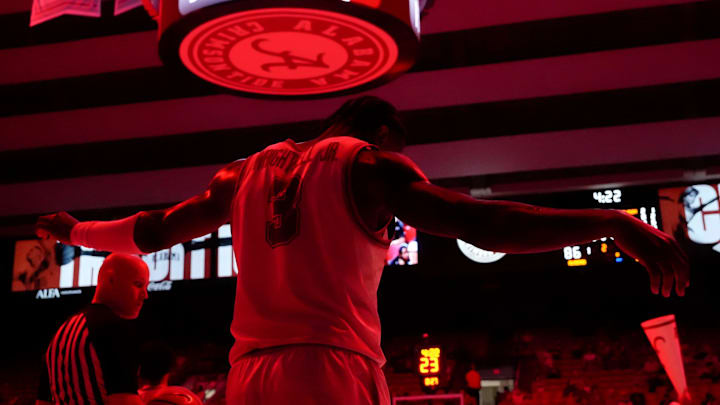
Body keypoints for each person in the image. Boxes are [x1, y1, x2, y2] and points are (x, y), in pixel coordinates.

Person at [36, 96, 690, 405]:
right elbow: (480, 223)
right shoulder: (369, 164)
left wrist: (75, 233)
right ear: (380, 131)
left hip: (248, 376)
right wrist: (608, 222)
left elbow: (153, 229)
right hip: (330, 367)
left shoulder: (242, 173)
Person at [35, 254, 150, 405]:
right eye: (138, 284)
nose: (145, 295)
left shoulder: (60, 334)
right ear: (111, 279)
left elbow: (42, 402)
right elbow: (124, 400)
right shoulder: (115, 328)